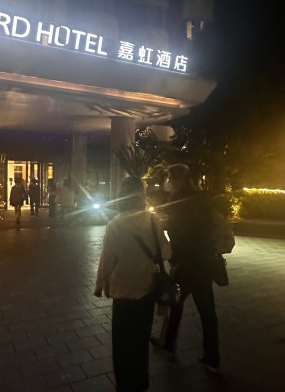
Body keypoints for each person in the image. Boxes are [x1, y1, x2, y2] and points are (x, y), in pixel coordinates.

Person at [94, 176, 171, 392]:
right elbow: (166, 252)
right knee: (141, 339)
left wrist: (100, 285)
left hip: (123, 289)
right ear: (142, 195)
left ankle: (124, 383)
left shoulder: (115, 225)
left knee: (122, 342)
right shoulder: (153, 220)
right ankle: (141, 382)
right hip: (147, 286)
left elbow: (107, 260)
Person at [151, 163, 222, 373]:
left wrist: (171, 253)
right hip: (205, 261)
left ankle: (168, 344)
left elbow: (179, 236)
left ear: (176, 181)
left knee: (175, 302)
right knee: (207, 311)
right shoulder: (202, 199)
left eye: (169, 179)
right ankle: (212, 356)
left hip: (185, 264)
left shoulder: (180, 202)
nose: (167, 182)